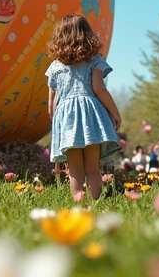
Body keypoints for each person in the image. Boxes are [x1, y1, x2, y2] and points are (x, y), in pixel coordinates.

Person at [45, 14, 122, 201]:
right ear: (87, 35)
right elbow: (99, 89)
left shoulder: (55, 67)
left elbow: (51, 104)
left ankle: (79, 207)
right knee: (93, 168)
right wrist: (115, 113)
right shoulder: (94, 61)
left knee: (75, 170)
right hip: (90, 118)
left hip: (66, 120)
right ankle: (96, 205)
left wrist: (57, 127)